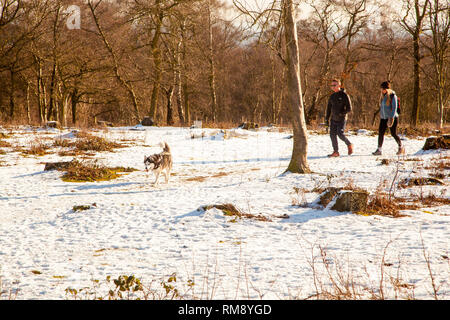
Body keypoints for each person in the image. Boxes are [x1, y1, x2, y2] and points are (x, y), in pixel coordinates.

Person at [372, 81, 405, 155]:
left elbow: (394, 108)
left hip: (392, 117)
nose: (381, 90)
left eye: (382, 89)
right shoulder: (383, 96)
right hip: (383, 118)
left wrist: (391, 118)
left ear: (386, 89)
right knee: (381, 133)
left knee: (393, 133)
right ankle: (379, 149)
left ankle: (401, 146)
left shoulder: (393, 96)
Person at [325, 79, 353, 157]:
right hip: (333, 119)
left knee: (340, 134)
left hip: (342, 119)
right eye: (332, 85)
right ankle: (336, 152)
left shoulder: (344, 95)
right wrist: (326, 119)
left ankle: (349, 144)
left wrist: (341, 113)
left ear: (339, 86)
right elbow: (328, 109)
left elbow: (349, 108)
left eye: (335, 85)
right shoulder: (332, 96)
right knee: (332, 135)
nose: (333, 87)